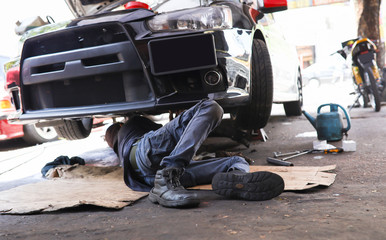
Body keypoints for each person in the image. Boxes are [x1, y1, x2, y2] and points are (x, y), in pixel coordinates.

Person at [105, 99, 284, 208]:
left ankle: (235, 178)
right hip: (147, 154)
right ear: (120, 126)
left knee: (233, 161)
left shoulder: (120, 151)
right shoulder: (130, 125)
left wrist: (212, 157)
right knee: (210, 107)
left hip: (149, 179)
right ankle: (171, 171)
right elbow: (179, 136)